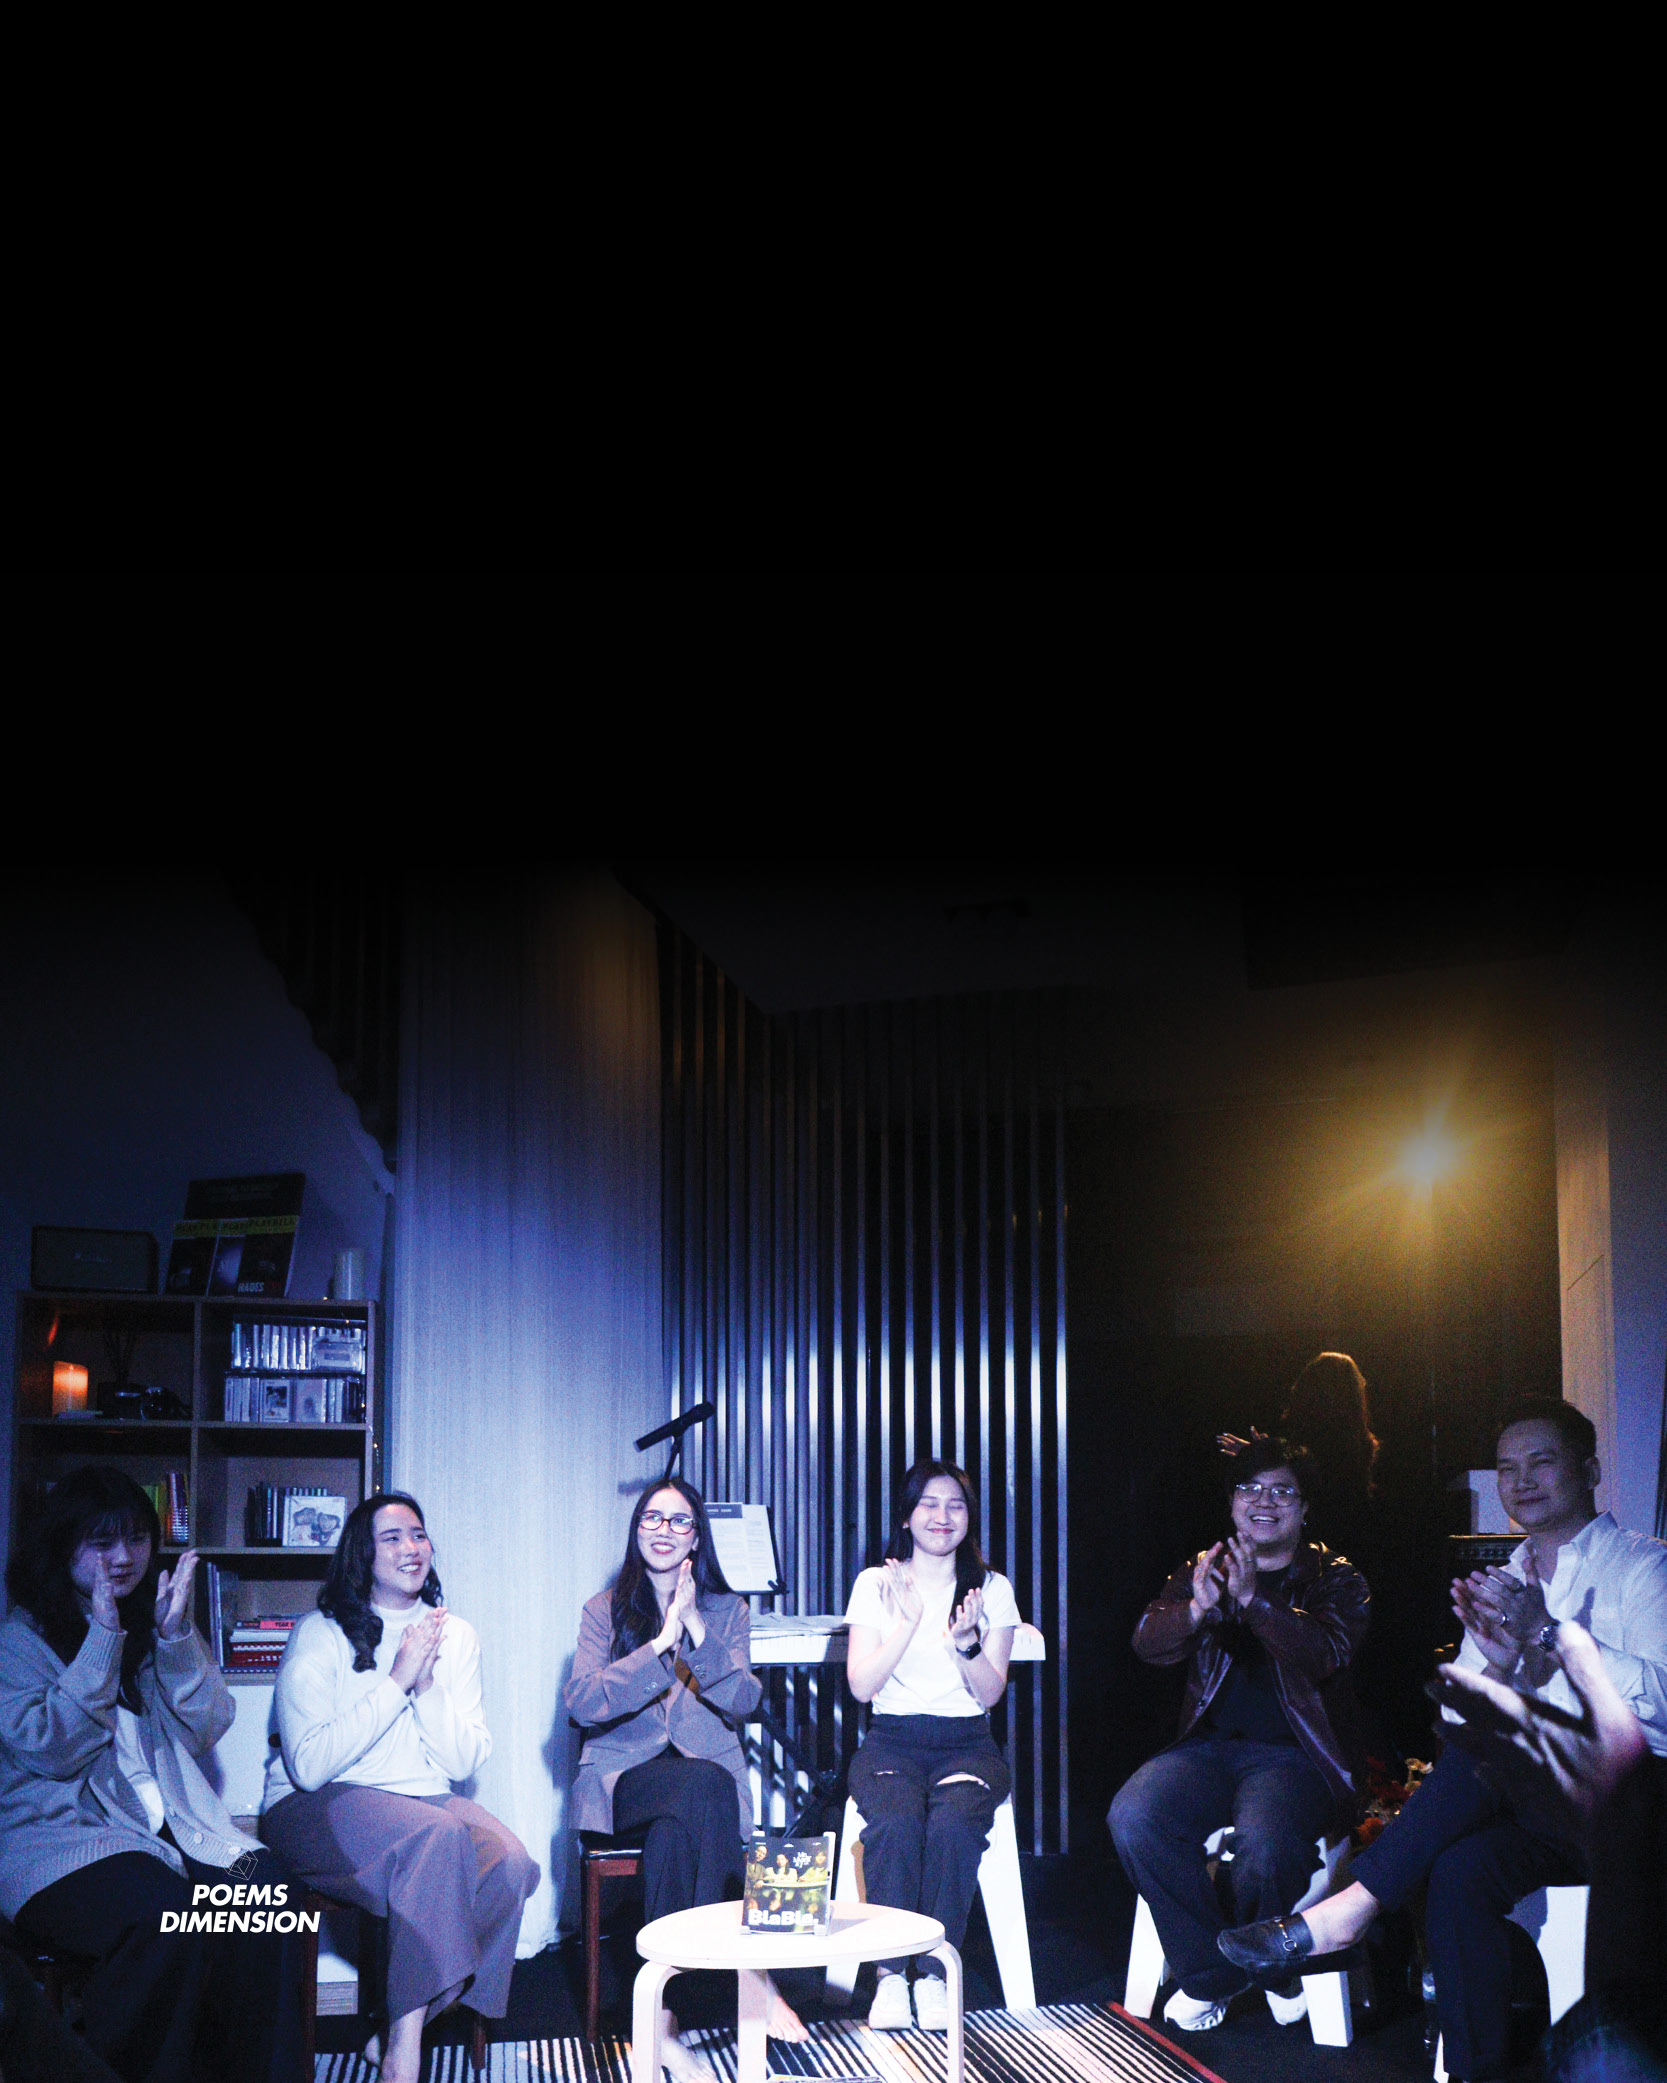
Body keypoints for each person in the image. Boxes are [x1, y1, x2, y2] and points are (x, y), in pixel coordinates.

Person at [1218, 1398, 1667, 2083]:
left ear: (1590, 1469)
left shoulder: (1645, 1566)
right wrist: (1498, 1668)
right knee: (1460, 1871)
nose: (1521, 1480)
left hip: (1638, 1801)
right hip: (1542, 1807)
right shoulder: (1505, 1580)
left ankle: (1350, 1910)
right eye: (1506, 1467)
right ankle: (1471, 2073)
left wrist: (1548, 1635)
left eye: (1541, 1461)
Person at [0, 1466, 306, 2083]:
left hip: (176, 1832)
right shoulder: (20, 1640)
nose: (123, 1558)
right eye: (102, 1542)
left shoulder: (152, 1624)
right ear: (63, 1546)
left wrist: (174, 1636)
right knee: (167, 1917)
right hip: (68, 1843)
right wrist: (102, 1639)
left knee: (272, 1896)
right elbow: (51, 1749)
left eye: (136, 1539)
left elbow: (208, 1724)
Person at [261, 1492, 538, 2083]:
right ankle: (403, 2057)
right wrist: (398, 1679)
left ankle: (395, 2026)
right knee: (435, 1837)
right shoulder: (320, 1631)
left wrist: (427, 1686)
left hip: (419, 1799)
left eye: (418, 1534)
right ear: (363, 1554)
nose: (411, 1547)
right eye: (392, 1537)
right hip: (314, 1801)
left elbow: (461, 1761)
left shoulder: (455, 1634)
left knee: (511, 1864)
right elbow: (308, 1766)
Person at [1109, 1438, 1370, 2033]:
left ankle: (1247, 1966)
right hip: (1209, 1749)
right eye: (1250, 1489)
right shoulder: (1204, 1566)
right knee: (1134, 1816)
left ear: (1304, 1508)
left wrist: (1253, 1601)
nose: (1264, 1502)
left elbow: (1325, 1654)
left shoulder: (1337, 1577)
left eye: (1282, 1491)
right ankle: (1222, 1974)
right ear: (1231, 1504)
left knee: (1267, 1849)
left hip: (1297, 1757)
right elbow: (1147, 1642)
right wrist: (1194, 1611)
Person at [564, 1480, 806, 2071]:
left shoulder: (728, 1611)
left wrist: (695, 1627)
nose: (664, 1530)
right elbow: (582, 1703)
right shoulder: (603, 1609)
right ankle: (751, 1972)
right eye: (652, 1518)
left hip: (697, 1797)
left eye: (679, 1521)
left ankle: (662, 2021)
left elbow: (744, 1701)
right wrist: (659, 1646)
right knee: (706, 1785)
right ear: (636, 1530)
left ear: (697, 1537)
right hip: (624, 1782)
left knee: (678, 1835)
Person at [843, 1459, 1022, 2033]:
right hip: (891, 1740)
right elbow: (861, 1686)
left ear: (970, 1518)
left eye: (956, 1505)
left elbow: (990, 1694)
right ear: (906, 1515)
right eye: (929, 1503)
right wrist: (908, 1622)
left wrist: (966, 1645)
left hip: (967, 1743)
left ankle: (935, 1973)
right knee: (895, 1823)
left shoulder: (992, 1589)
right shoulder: (876, 1584)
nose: (942, 1516)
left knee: (952, 1824)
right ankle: (891, 1975)